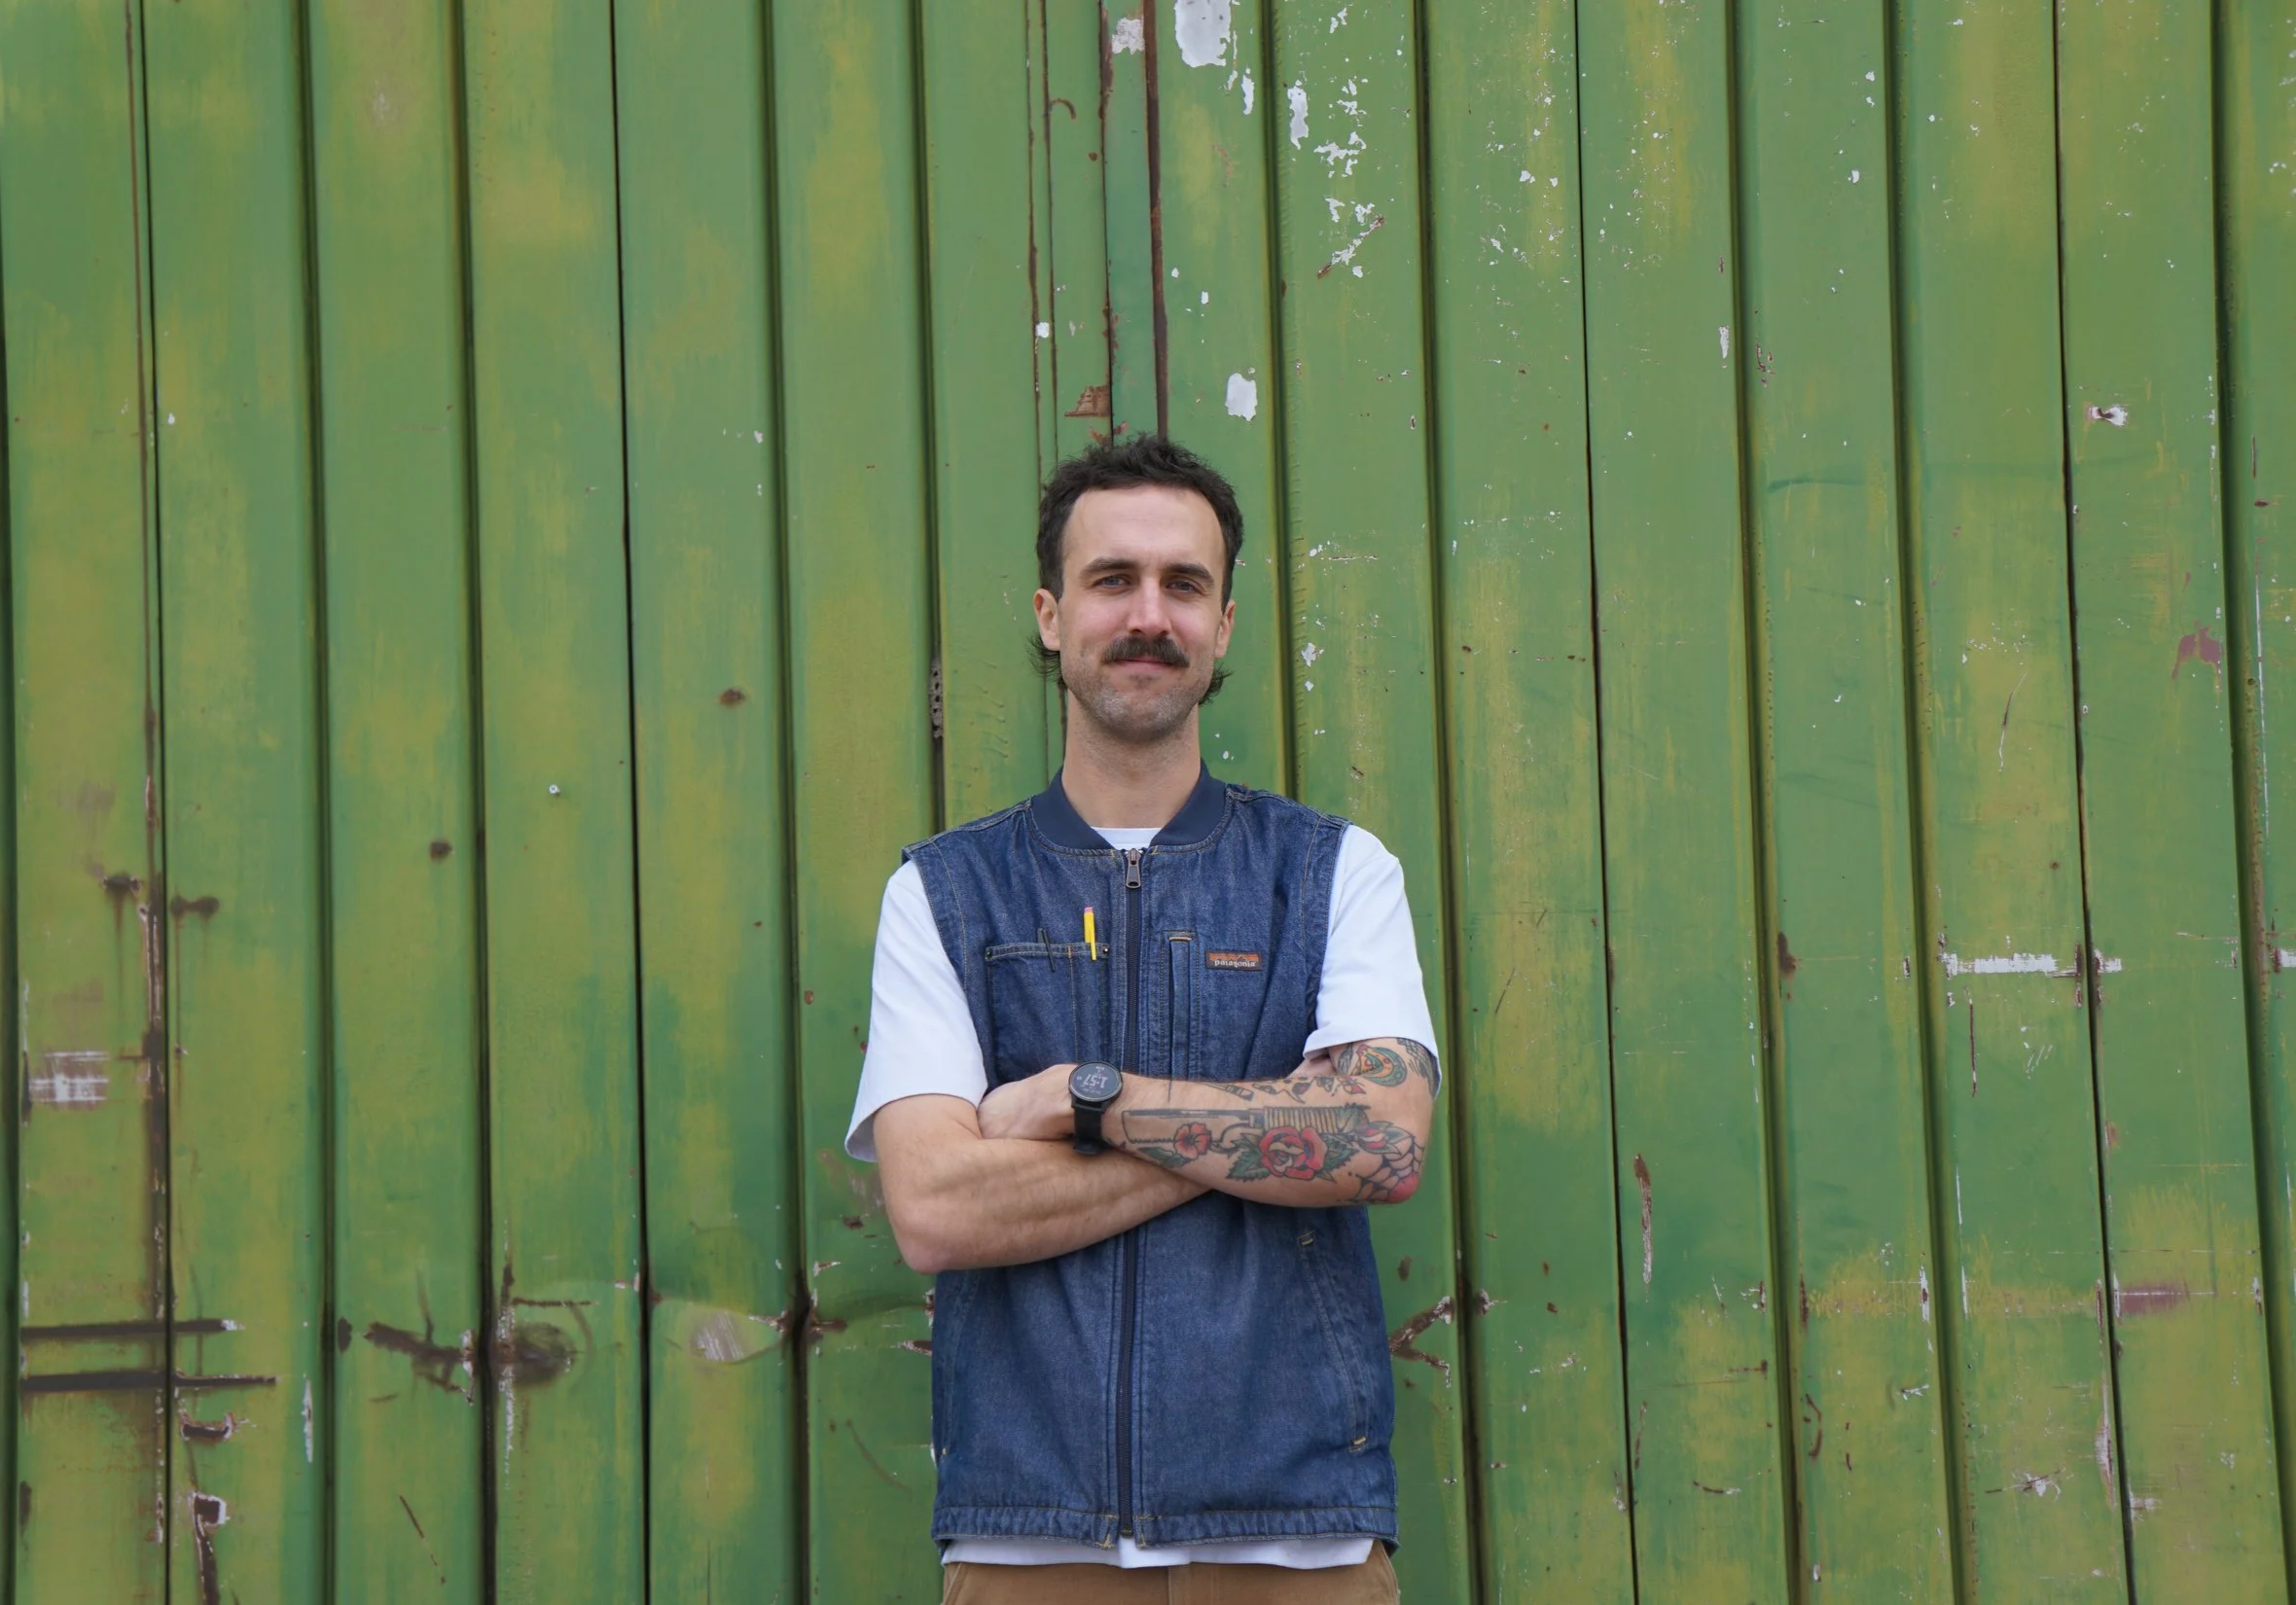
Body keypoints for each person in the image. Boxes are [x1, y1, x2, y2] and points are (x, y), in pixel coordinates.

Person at [845, 435, 1440, 1605]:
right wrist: (1272, 1131)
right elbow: (935, 1209)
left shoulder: (1334, 874)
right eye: (1112, 580)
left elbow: (1380, 1142)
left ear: (1223, 624)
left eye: (1184, 584)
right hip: (1031, 1540)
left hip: (1293, 1540)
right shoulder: (943, 894)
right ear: (1050, 616)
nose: (1149, 616)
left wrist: (1090, 1103)